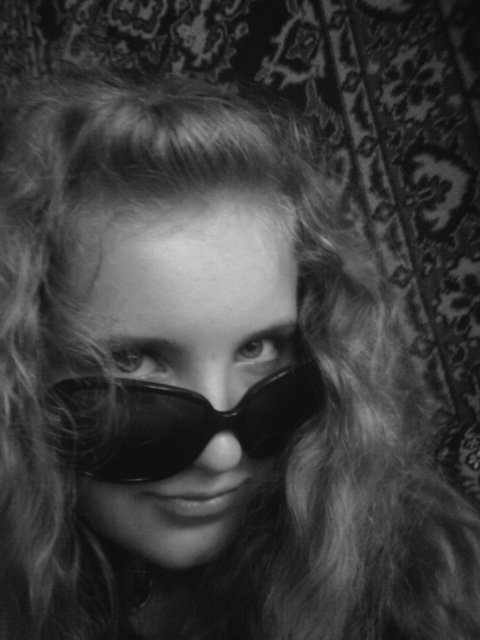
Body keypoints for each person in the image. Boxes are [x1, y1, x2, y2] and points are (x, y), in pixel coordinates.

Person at [0, 69, 479, 640]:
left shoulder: (426, 581)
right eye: (129, 361)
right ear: (19, 371)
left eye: (258, 348)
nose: (223, 455)